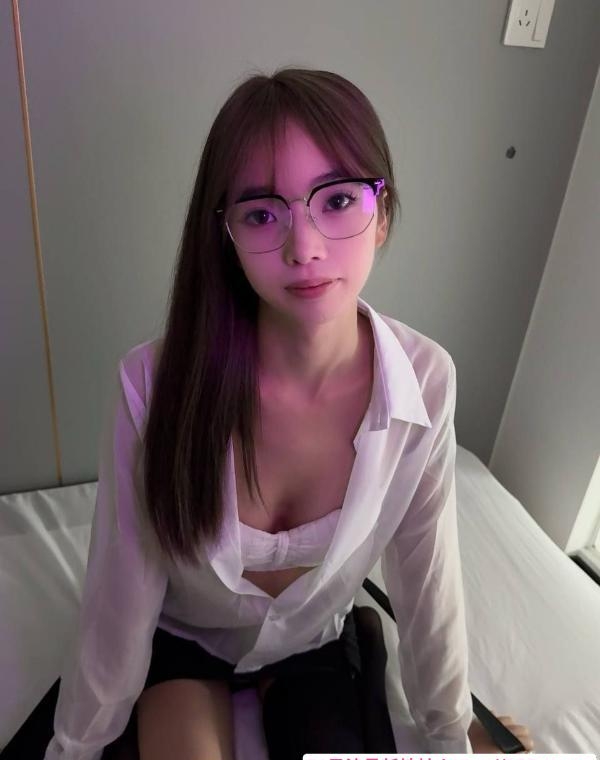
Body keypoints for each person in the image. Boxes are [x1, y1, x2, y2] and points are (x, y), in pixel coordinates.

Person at [43, 66, 533, 760]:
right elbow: (119, 598)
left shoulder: (425, 382)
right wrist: (76, 748)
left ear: (382, 213)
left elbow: (429, 583)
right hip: (185, 642)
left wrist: (452, 734)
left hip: (314, 644)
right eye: (262, 213)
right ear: (226, 232)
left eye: (338, 200)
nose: (304, 248)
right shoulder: (152, 386)